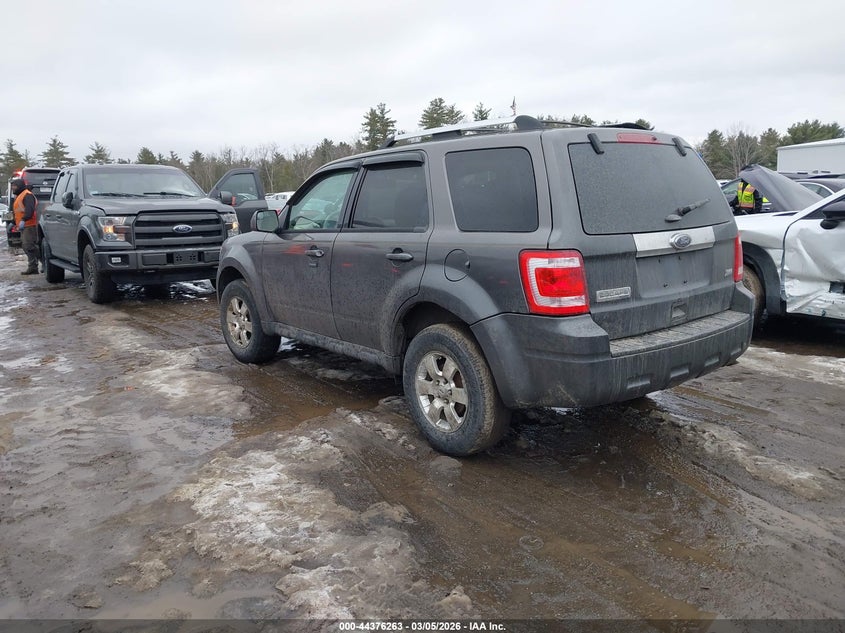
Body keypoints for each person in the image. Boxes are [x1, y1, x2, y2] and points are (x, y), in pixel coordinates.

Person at [10, 178, 40, 274]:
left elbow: (29, 210)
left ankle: (44, 261)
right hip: (24, 225)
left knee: (29, 246)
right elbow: (18, 212)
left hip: (29, 224)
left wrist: (23, 220)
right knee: (27, 246)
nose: (13, 188)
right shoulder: (19, 196)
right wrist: (14, 222)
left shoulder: (27, 195)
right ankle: (33, 266)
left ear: (19, 186)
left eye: (14, 186)